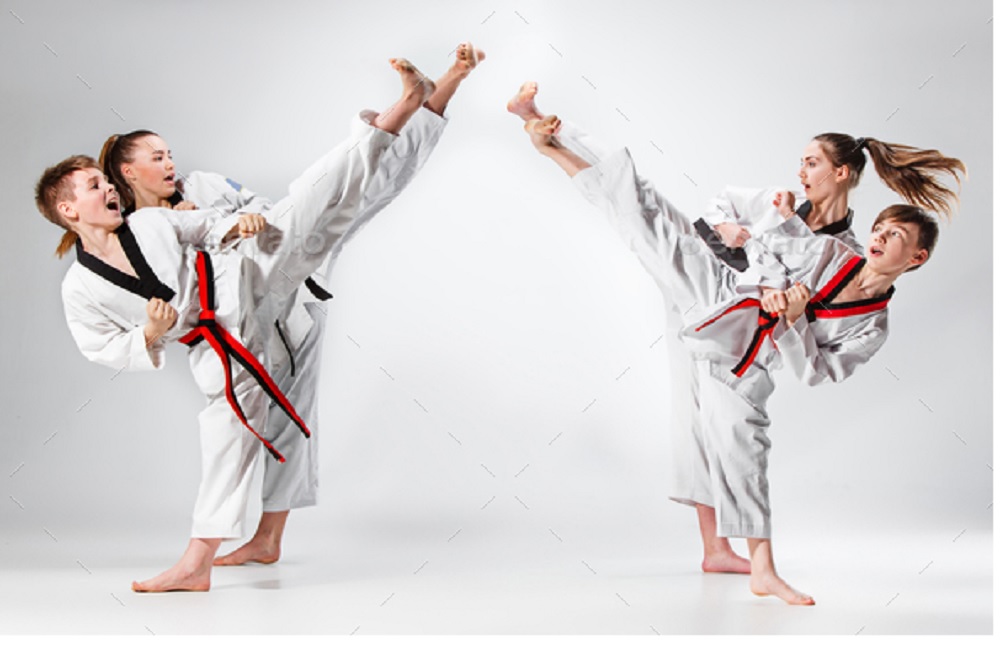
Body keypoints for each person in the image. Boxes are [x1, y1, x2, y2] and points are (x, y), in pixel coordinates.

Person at [508, 82, 963, 605]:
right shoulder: (828, 247)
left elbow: (815, 371)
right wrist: (763, 255)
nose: (879, 238)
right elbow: (768, 252)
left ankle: (747, 563)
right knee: (639, 203)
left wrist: (793, 317)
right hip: (718, 288)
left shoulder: (868, 316)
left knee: (736, 444)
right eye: (880, 229)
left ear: (916, 258)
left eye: (893, 236)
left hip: (740, 354)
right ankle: (554, 135)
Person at [36, 57, 433, 592]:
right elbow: (98, 345)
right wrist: (147, 335)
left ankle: (408, 108)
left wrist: (233, 224)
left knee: (317, 197)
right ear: (68, 210)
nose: (107, 189)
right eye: (93, 186)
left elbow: (202, 224)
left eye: (105, 181)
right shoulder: (81, 287)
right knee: (224, 440)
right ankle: (196, 565)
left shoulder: (149, 221)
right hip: (222, 344)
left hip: (248, 273)